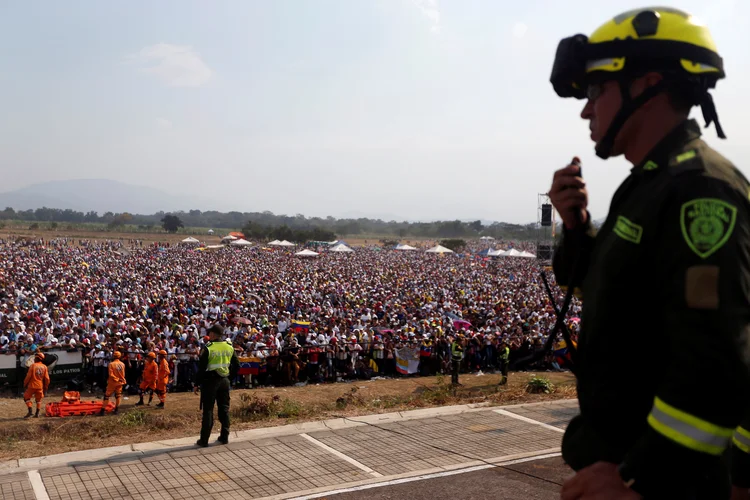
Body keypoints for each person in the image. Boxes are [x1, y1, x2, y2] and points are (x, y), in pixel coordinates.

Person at [548, 7, 750, 499]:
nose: (585, 109)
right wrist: (576, 227)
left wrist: (635, 477)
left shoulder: (698, 189)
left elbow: (714, 365)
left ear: (648, 84)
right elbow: (600, 282)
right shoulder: (647, 185)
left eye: (596, 90)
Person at [194, 325, 239, 447]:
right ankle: (224, 437)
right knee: (224, 409)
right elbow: (237, 365)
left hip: (210, 382)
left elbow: (202, 369)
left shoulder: (208, 348)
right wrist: (229, 377)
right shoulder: (229, 347)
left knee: (208, 410)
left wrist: (196, 383)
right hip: (224, 381)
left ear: (213, 334)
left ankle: (204, 440)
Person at [23, 352, 50, 419]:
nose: (34, 359)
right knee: (38, 400)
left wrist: (25, 383)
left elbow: (28, 376)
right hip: (40, 386)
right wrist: (46, 386)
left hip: (32, 386)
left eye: (35, 357)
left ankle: (30, 411)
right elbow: (47, 378)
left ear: (37, 358)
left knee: (26, 398)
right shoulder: (44, 367)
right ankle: (37, 414)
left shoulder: (33, 366)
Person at [101, 351, 126, 415]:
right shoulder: (123, 364)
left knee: (106, 396)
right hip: (120, 382)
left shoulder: (111, 364)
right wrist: (120, 380)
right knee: (118, 396)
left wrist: (116, 379)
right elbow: (123, 374)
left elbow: (111, 374)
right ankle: (116, 410)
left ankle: (102, 411)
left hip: (112, 382)